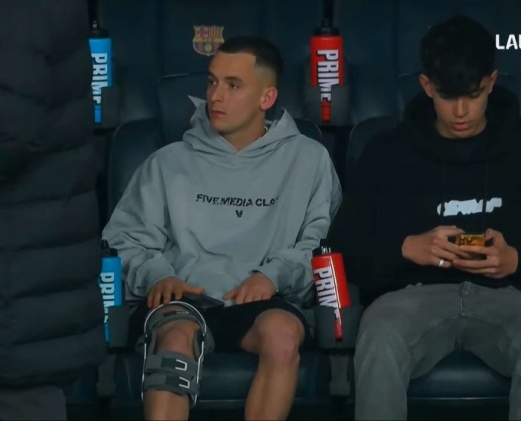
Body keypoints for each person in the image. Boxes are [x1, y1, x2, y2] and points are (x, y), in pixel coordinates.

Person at [328, 16, 521, 421]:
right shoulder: (387, 151)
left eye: (473, 96)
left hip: (510, 296)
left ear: (491, 82)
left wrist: (518, 260)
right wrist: (406, 248)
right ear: (426, 86)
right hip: (411, 297)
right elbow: (341, 247)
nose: (461, 111)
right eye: (447, 96)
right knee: (379, 332)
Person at [102, 35, 342, 421]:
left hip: (263, 299)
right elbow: (123, 241)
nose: (215, 96)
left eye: (233, 85)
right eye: (212, 82)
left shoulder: (309, 160)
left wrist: (273, 274)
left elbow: (320, 243)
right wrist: (158, 275)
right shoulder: (167, 162)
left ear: (266, 97)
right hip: (184, 296)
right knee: (174, 340)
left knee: (282, 335)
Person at [0, 1, 107, 420]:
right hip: (8, 249)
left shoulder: (16, 8)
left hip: (14, 253)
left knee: (17, 393)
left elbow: (7, 131)